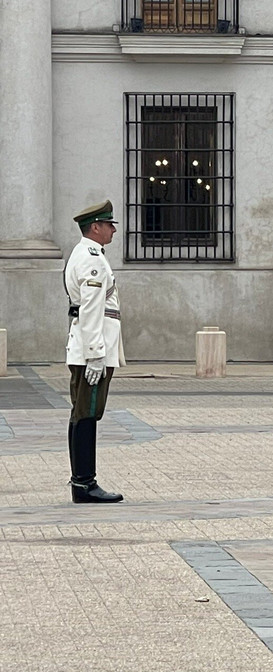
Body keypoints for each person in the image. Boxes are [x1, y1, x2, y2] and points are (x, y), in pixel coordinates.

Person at [64, 201, 124, 503]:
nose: (113, 229)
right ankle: (84, 484)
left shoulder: (85, 253)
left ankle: (81, 482)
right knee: (86, 414)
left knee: (82, 413)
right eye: (109, 224)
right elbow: (90, 309)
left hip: (86, 345)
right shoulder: (93, 260)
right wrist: (96, 353)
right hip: (91, 349)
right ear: (96, 227)